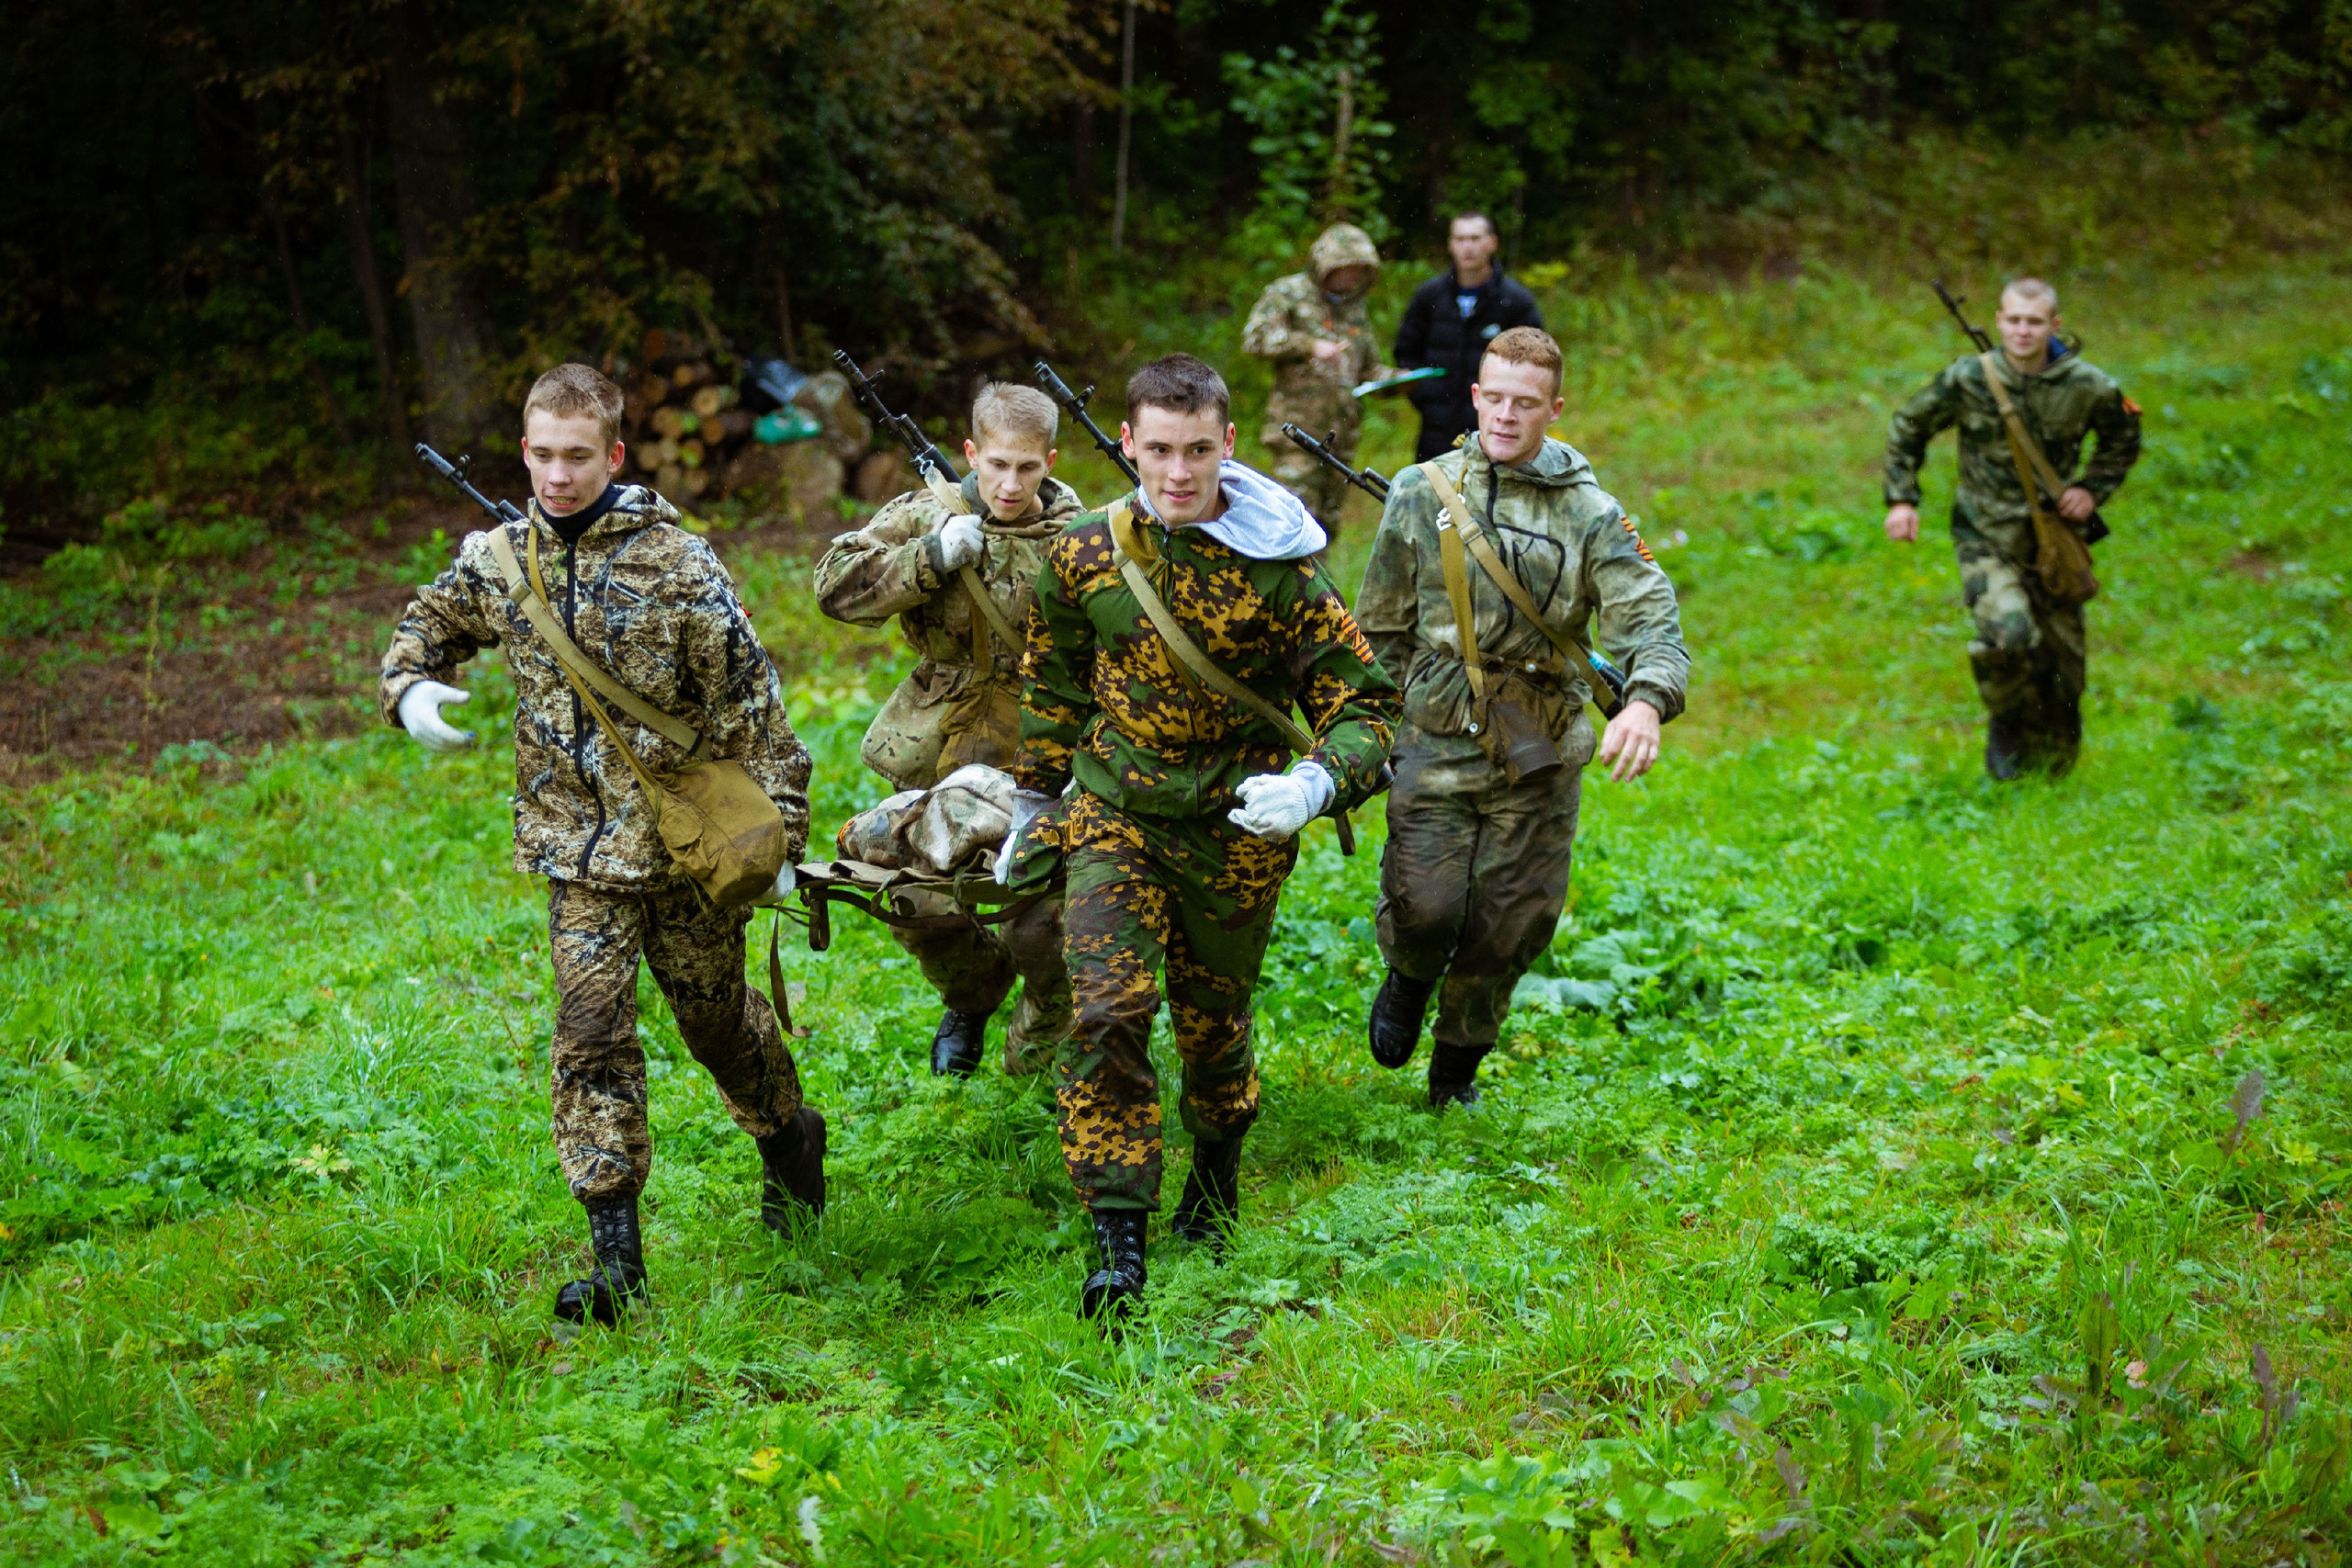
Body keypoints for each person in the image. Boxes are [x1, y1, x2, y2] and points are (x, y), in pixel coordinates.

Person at [380, 364, 823, 1327]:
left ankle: (790, 1139)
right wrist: (410, 687)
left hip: (684, 853)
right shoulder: (501, 560)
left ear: (613, 455)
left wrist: (780, 832)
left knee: (716, 1030)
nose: (556, 475)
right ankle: (617, 1260)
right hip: (577, 856)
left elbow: (754, 705)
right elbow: (429, 622)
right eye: (540, 454)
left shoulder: (678, 564)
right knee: (589, 1037)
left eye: (576, 456)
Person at [1001, 353, 1398, 1320]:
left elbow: (1367, 711)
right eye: (1160, 452)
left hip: (1235, 830)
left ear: (1227, 445)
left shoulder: (1282, 569)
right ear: (1128, 444)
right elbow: (1054, 677)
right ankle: (1117, 1240)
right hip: (1114, 817)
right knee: (1106, 1012)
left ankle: (1217, 1161)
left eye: (1199, 452)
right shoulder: (1086, 553)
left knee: (1211, 1025)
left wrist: (1313, 784)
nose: (1179, 474)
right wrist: (1030, 799)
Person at [1355, 327, 1689, 1108]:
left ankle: (1456, 1075)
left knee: (1511, 922)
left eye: (1526, 403)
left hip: (1539, 745)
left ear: (1555, 409)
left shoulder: (1591, 512)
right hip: (1435, 733)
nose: (1506, 415)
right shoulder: (1420, 489)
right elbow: (1378, 630)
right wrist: (1374, 731)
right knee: (1428, 904)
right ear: (1474, 397)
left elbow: (1651, 618)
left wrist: (1644, 701)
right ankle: (1408, 974)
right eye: (1494, 398)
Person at [814, 384, 1081, 1078]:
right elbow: (833, 585)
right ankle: (970, 996)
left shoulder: (1083, 534)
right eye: (996, 464)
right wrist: (928, 558)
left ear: (1050, 461)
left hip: (1043, 739)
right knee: (918, 901)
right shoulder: (929, 513)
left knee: (1051, 913)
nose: (1010, 483)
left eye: (1028, 468)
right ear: (970, 452)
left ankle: (1041, 1044)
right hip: (940, 739)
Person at [1883, 277, 2142, 777]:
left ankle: (2053, 769)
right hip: (1986, 534)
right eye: (2014, 320)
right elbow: (1909, 425)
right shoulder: (1969, 378)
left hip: (2054, 542)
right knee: (2009, 635)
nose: (2023, 331)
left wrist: (2090, 489)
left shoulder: (2089, 386)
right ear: (1999, 320)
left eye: (2035, 321)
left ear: (2054, 325)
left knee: (2065, 669)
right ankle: (2006, 726)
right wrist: (1901, 499)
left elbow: (2123, 437)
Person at [1240, 222, 1392, 539]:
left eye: (1359, 270)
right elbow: (1255, 338)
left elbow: (1369, 367)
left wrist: (1396, 380)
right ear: (1325, 266)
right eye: (1345, 269)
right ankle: (1284, 586)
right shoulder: (1288, 293)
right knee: (1293, 519)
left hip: (1342, 436)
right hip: (1297, 431)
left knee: (1325, 526)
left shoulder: (1355, 308)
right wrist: (1308, 345)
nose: (1352, 277)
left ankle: (1317, 588)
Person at [1393, 211, 1547, 462]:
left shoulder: (1515, 302)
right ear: (1450, 244)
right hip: (1436, 431)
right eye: (1461, 239)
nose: (1468, 247)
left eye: (1475, 238)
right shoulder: (1429, 297)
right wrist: (1427, 394)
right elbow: (1406, 353)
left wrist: (1504, 404)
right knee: (1436, 497)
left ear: (1492, 242)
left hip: (1498, 431)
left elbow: (1537, 363)